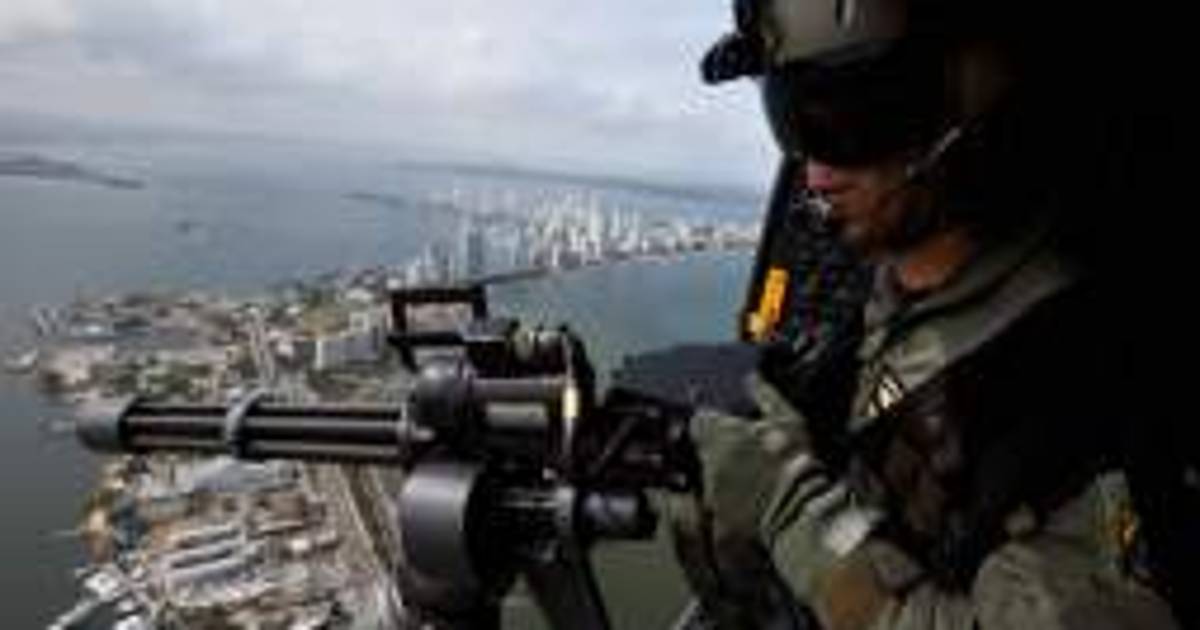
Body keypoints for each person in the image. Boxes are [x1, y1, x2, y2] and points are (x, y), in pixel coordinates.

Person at [669, 1, 1183, 628]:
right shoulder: (887, 297)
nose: (815, 173)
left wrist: (792, 511)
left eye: (847, 122)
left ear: (969, 109)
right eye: (793, 120)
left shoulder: (1084, 394)